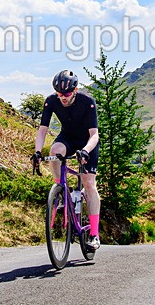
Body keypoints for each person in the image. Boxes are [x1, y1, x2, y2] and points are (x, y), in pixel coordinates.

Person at [32, 69, 101, 250]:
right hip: (68, 138)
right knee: (54, 151)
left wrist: (85, 151)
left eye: (67, 93)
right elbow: (42, 130)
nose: (63, 97)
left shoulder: (88, 102)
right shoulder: (51, 101)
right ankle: (61, 190)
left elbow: (95, 135)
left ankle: (94, 234)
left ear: (75, 90)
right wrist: (37, 152)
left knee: (88, 184)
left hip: (87, 142)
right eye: (59, 93)